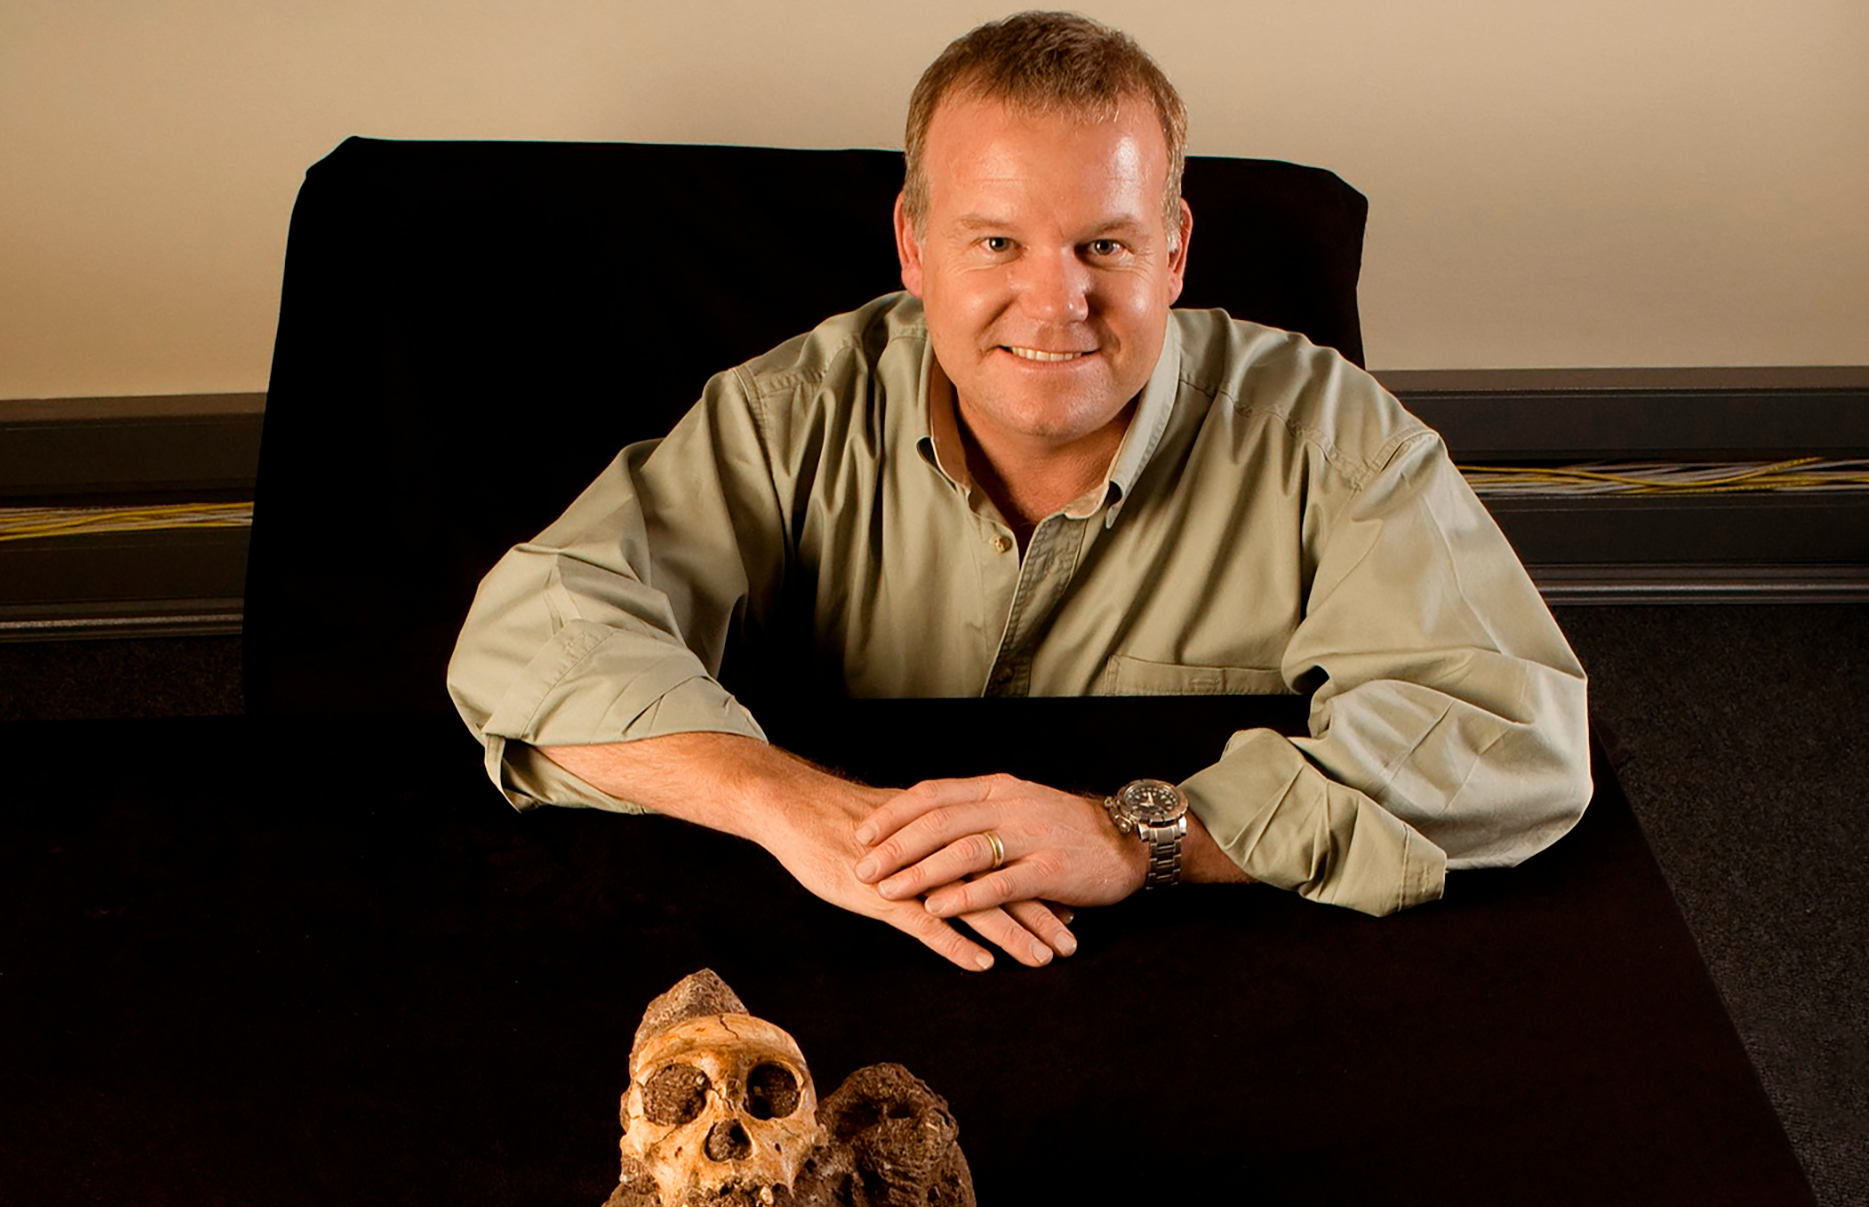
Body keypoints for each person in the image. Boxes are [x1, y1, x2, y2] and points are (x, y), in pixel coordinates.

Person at [447, 10, 1592, 972]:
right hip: (834, 947)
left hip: (1202, 964)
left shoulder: (1326, 435)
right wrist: (782, 802)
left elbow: (1514, 733)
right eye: (996, 243)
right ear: (912, 244)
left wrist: (1140, 833)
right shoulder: (792, 407)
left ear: (1175, 249)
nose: (1054, 307)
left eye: (1103, 246)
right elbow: (531, 629)